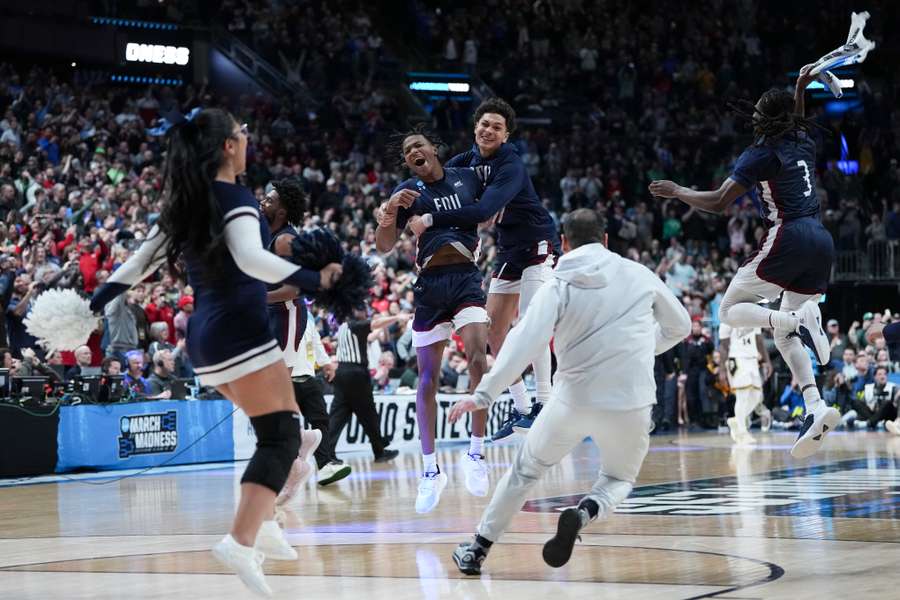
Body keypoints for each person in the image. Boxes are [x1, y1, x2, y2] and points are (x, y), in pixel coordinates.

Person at [89, 108, 342, 597]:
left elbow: (140, 262)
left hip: (205, 340)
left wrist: (93, 303)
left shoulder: (187, 203)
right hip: (240, 329)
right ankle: (243, 538)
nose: (247, 139)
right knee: (283, 433)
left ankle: (262, 522)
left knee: (280, 428)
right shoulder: (237, 198)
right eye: (242, 134)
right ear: (228, 146)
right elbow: (252, 259)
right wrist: (317, 280)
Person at [447, 209, 691, 574]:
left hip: (573, 400)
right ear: (606, 240)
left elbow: (524, 341)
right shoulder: (640, 274)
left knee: (525, 473)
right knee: (618, 478)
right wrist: (641, 347)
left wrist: (483, 395)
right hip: (632, 402)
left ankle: (477, 549)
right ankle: (583, 512)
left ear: (563, 243)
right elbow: (681, 326)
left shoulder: (557, 284)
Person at [649, 64, 838, 459]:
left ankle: (799, 319)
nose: (752, 117)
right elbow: (797, 115)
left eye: (757, 112)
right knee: (784, 339)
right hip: (821, 239)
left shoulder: (760, 153)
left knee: (731, 310)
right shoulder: (803, 139)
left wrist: (679, 191)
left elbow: (719, 202)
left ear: (767, 119)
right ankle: (815, 405)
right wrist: (802, 83)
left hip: (789, 234)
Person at [407, 98, 559, 440]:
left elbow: (483, 210)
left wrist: (431, 217)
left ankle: (544, 403)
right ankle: (521, 407)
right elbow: (433, 182)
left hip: (536, 242)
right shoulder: (464, 162)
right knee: (494, 330)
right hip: (508, 248)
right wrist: (394, 204)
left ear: (506, 136)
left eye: (497, 127)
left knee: (532, 324)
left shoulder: (512, 166)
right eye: (484, 124)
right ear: (475, 127)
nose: (489, 130)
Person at [376, 126, 491, 513]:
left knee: (479, 359)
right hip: (429, 286)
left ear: (434, 149)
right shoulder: (407, 191)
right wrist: (391, 211)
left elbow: (495, 205)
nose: (413, 152)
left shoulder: (467, 177)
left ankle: (475, 453)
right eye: (407, 150)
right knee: (427, 379)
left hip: (466, 281)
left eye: (418, 145)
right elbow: (384, 245)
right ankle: (430, 471)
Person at [328, 307, 405, 464]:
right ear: (354, 311)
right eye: (362, 309)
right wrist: (397, 317)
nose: (365, 312)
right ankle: (379, 451)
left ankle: (326, 454)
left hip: (342, 373)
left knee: (338, 415)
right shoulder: (355, 325)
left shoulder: (343, 326)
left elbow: (373, 332)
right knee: (369, 415)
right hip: (355, 373)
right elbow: (376, 323)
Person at [719, 322, 772, 444]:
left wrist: (767, 360)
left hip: (752, 359)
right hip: (737, 359)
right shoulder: (727, 316)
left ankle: (737, 421)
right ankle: (742, 432)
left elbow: (759, 340)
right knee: (742, 396)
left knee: (757, 396)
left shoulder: (752, 314)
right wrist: (722, 369)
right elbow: (723, 346)